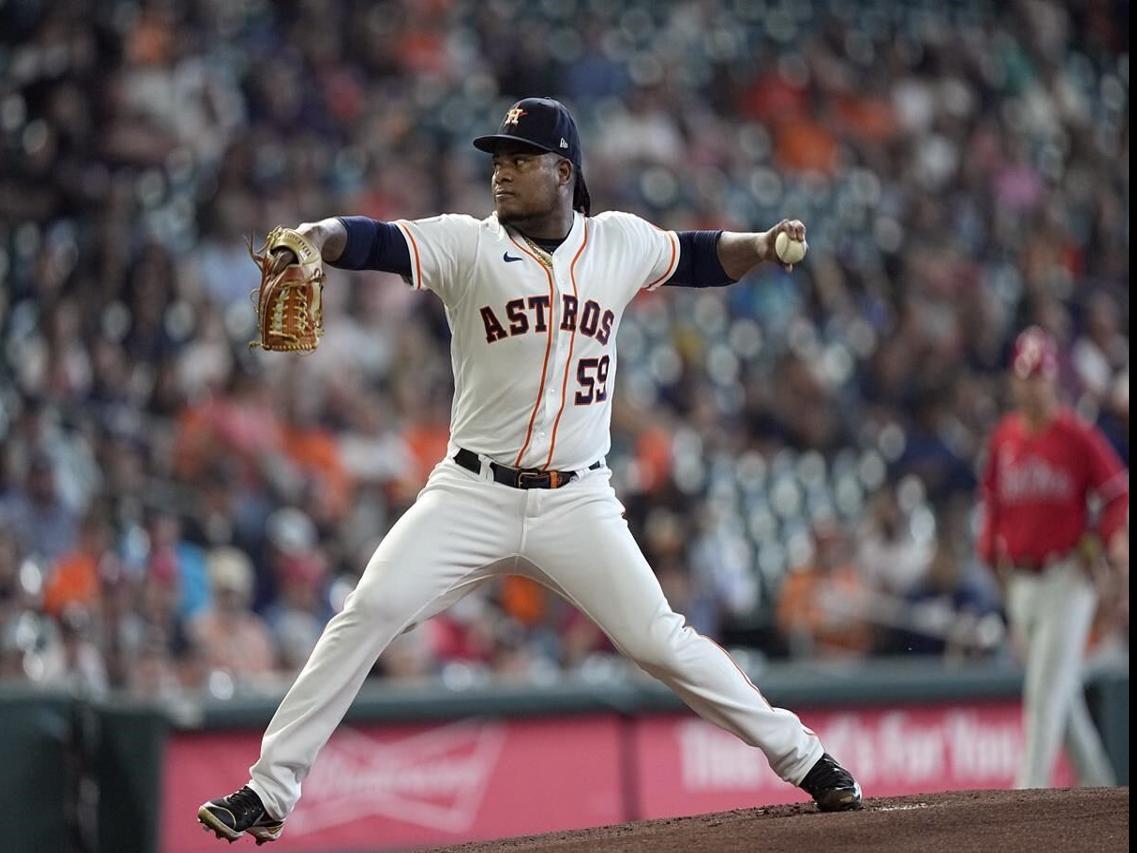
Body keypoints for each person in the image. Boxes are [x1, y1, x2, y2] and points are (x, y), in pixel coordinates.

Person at [197, 97, 861, 845]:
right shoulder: (466, 245)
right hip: (470, 491)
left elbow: (700, 254)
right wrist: (314, 235)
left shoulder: (616, 242)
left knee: (657, 640)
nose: (501, 173)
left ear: (564, 171)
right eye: (498, 160)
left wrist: (764, 244)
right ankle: (269, 788)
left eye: (519, 159)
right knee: (368, 611)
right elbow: (372, 240)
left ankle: (805, 758)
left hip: (577, 500)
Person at [978, 326, 1128, 789]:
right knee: (1063, 701)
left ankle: (1027, 796)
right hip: (1021, 583)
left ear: (1053, 379)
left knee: (1043, 696)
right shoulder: (1004, 438)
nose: (1030, 386)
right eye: (1024, 376)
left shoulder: (1076, 435)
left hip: (1067, 578)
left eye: (1038, 376)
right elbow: (993, 513)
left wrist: (1111, 545)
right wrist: (997, 574)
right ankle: (1104, 796)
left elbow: (1117, 495)